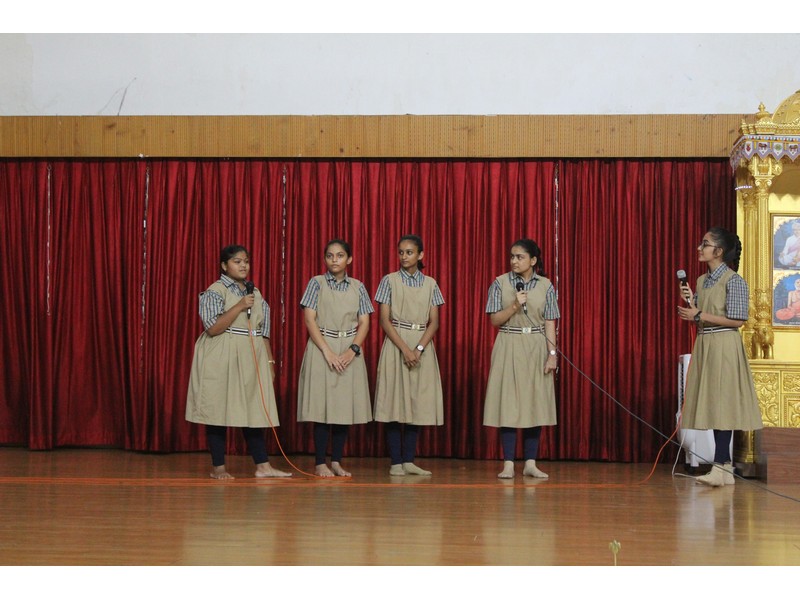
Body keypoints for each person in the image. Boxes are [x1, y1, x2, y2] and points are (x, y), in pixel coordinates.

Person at [186, 245, 291, 480]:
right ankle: (218, 468)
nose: (243, 265)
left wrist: (270, 362)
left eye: (246, 261)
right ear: (224, 265)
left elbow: (264, 332)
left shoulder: (256, 293)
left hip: (251, 354)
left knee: (253, 410)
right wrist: (240, 305)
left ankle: (263, 466)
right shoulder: (215, 291)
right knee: (218, 410)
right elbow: (213, 328)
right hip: (222, 352)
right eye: (237, 261)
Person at [677, 227, 763, 487]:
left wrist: (699, 314)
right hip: (706, 342)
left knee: (723, 403)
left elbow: (737, 320)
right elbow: (701, 317)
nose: (699, 248)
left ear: (719, 251)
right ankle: (723, 468)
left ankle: (721, 465)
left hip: (724, 344)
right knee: (714, 402)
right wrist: (693, 308)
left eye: (705, 243)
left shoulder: (733, 280)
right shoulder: (702, 280)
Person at [483, 239, 560, 479]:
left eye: (520, 257)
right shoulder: (499, 283)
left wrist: (552, 355)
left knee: (534, 403)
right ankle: (508, 463)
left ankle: (530, 463)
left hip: (535, 345)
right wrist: (515, 305)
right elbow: (494, 320)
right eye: (512, 256)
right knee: (508, 403)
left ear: (533, 260)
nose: (514, 261)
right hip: (509, 342)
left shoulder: (546, 285)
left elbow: (550, 322)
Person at [297, 239, 374, 477]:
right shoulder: (316, 283)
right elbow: (309, 319)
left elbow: (365, 322)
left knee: (343, 407)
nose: (334, 260)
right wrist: (327, 351)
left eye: (340, 255)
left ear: (349, 259)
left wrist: (352, 350)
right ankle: (320, 462)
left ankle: (337, 461)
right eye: (330, 256)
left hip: (349, 347)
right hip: (322, 346)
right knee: (322, 408)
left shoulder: (358, 287)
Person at [373, 235, 445, 476]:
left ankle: (409, 460)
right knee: (394, 402)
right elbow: (384, 320)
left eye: (410, 252)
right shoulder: (389, 281)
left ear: (420, 255)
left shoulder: (431, 284)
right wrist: (405, 349)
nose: (404, 256)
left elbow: (434, 322)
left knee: (417, 401)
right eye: (401, 252)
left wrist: (419, 349)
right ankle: (396, 461)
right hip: (397, 343)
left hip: (421, 343)